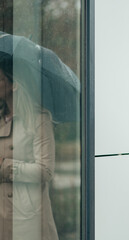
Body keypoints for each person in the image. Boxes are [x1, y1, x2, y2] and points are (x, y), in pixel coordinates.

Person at [0, 53, 58, 240]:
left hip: (27, 216)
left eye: (0, 79)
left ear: (14, 84)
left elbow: (45, 170)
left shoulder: (39, 119)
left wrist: (4, 166)